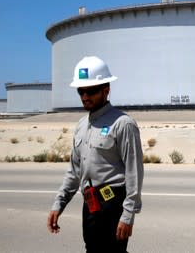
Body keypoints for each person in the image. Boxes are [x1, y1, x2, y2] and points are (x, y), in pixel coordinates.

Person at [47, 56, 144, 253]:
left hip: (113, 204)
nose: (85, 97)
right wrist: (59, 203)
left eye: (90, 91)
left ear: (106, 90)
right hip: (90, 204)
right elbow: (74, 171)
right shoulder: (82, 126)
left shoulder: (123, 124)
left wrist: (127, 215)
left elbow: (134, 173)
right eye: (81, 91)